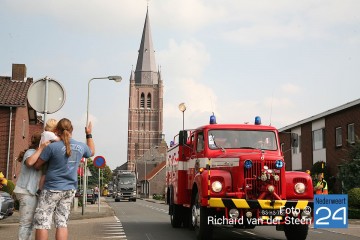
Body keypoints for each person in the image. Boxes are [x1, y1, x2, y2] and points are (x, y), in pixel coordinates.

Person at [33, 118, 95, 240]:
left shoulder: (52, 147)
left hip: (52, 188)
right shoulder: (81, 146)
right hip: (70, 189)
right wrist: (88, 134)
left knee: (42, 221)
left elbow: (37, 165)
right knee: (62, 221)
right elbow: (92, 152)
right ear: (72, 130)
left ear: (56, 131)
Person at [13, 133, 50, 240]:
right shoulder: (31, 152)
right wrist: (41, 148)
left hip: (32, 192)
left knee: (31, 223)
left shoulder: (43, 155)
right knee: (26, 222)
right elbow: (30, 162)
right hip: (26, 191)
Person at [38, 119, 60, 192]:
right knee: (45, 173)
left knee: (44, 173)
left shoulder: (44, 133)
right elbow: (58, 140)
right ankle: (40, 189)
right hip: (46, 156)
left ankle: (40, 188)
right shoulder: (50, 134)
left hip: (42, 154)